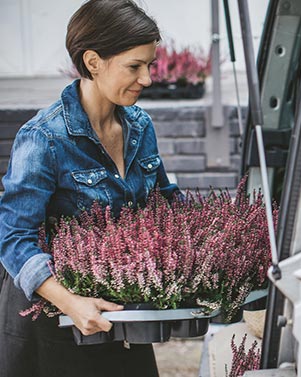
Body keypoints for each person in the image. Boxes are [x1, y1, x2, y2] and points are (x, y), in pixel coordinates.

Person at [0, 1, 179, 375]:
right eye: (134, 66)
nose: (147, 79)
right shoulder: (44, 138)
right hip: (55, 321)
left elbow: (166, 208)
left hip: (125, 315)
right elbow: (13, 238)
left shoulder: (140, 127)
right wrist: (71, 302)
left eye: (150, 65)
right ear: (93, 61)